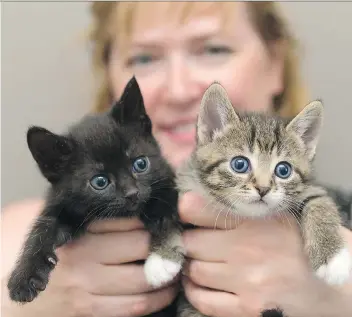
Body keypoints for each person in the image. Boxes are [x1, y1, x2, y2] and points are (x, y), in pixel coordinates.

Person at [2, 2, 352, 317]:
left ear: (276, 64)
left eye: (214, 49)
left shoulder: (341, 217)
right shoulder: (14, 237)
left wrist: (340, 301)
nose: (180, 90)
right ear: (111, 77)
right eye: (144, 58)